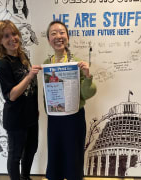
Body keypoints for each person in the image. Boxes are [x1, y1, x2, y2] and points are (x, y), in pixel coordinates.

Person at [44, 21, 97, 180]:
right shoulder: (47, 64)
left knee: (73, 158)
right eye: (53, 33)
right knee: (56, 155)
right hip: (55, 119)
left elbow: (88, 93)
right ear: (48, 40)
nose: (58, 36)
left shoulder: (77, 63)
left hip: (74, 118)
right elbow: (46, 95)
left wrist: (87, 75)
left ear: (67, 37)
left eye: (61, 32)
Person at [0, 20, 41, 180]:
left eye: (14, 34)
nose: (12, 38)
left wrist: (36, 108)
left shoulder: (22, 56)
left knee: (31, 149)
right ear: (0, 41)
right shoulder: (3, 65)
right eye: (6, 36)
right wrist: (29, 76)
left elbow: (31, 89)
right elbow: (12, 95)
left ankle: (25, 177)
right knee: (15, 156)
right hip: (16, 119)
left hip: (31, 116)